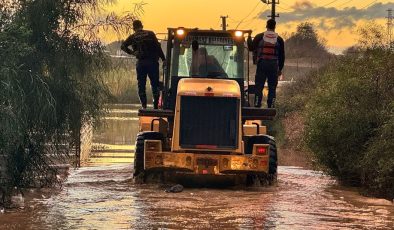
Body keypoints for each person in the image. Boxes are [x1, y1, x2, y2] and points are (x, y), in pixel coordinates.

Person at [121, 20, 166, 109]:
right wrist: (163, 59)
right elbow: (158, 47)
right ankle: (156, 106)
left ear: (134, 28)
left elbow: (123, 46)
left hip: (141, 64)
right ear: (142, 26)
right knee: (155, 85)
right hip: (152, 63)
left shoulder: (133, 37)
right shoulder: (150, 34)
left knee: (141, 85)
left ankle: (144, 106)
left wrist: (133, 53)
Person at [248, 19, 285, 108]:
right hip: (273, 65)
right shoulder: (279, 39)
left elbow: (251, 48)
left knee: (259, 86)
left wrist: (249, 36)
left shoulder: (259, 37)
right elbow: (282, 56)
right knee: (272, 87)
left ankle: (257, 104)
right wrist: (280, 69)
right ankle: (271, 105)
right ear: (275, 27)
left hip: (262, 64)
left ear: (266, 26)